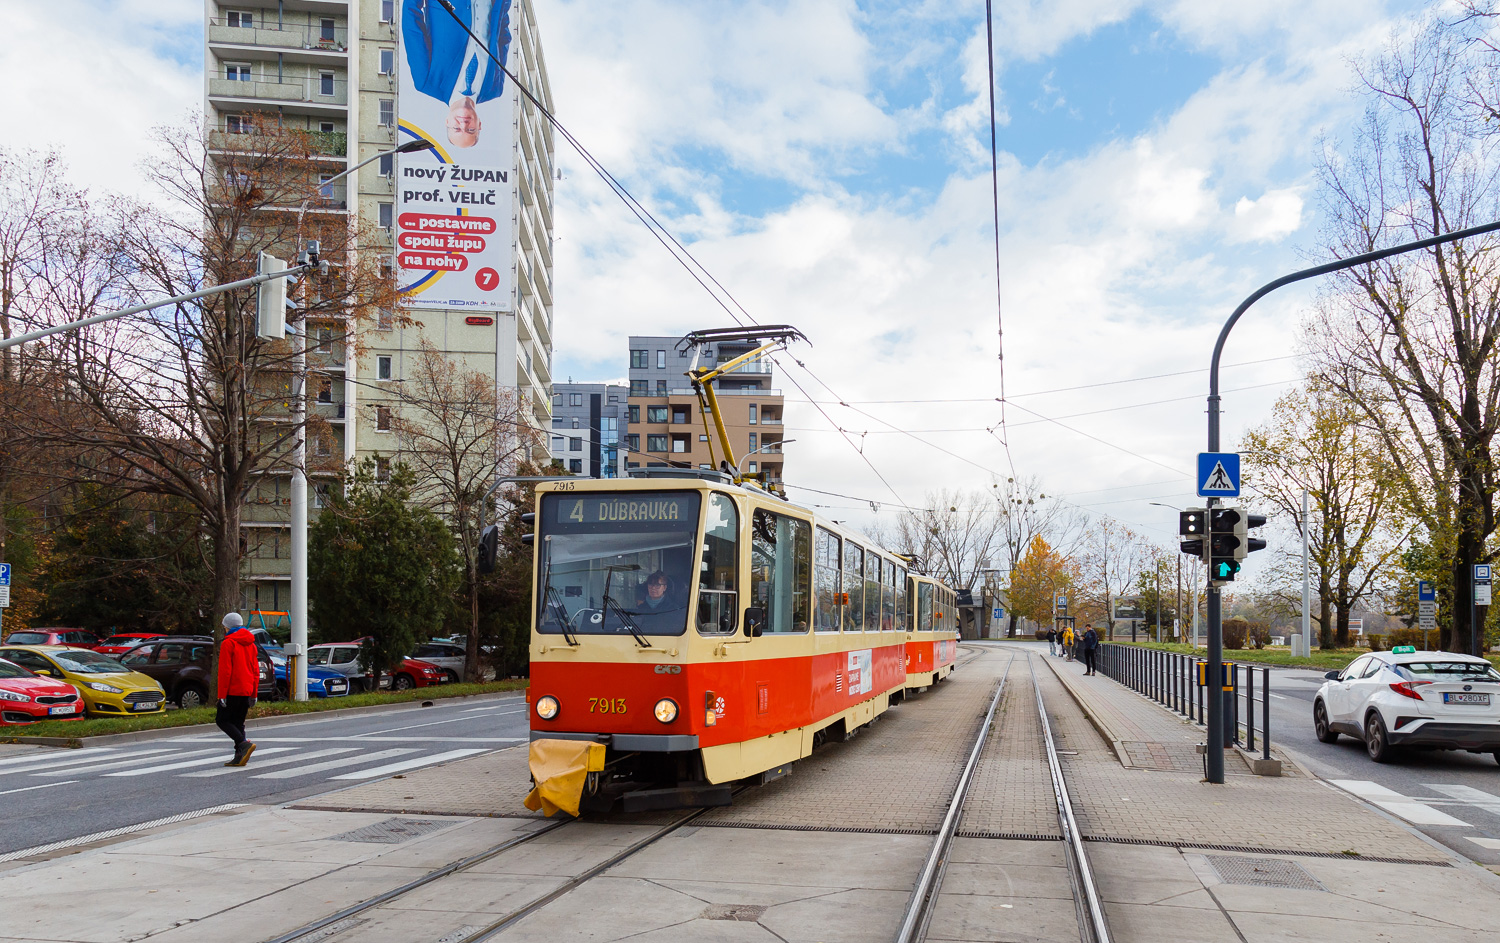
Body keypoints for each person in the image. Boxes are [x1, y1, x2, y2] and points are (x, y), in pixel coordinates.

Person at [403, 0, 512, 148]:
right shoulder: (494, 89)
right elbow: (502, 36)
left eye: (456, 128)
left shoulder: (427, 82)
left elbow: (412, 27)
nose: (463, 124)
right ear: (479, 124)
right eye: (470, 130)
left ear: (447, 121)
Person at [216, 613, 260, 767]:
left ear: (227, 626)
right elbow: (255, 670)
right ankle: (240, 756)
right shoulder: (251, 644)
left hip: (233, 689)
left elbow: (225, 671)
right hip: (247, 688)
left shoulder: (228, 643)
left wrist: (222, 694)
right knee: (238, 723)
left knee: (222, 720)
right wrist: (254, 693)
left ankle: (243, 743)